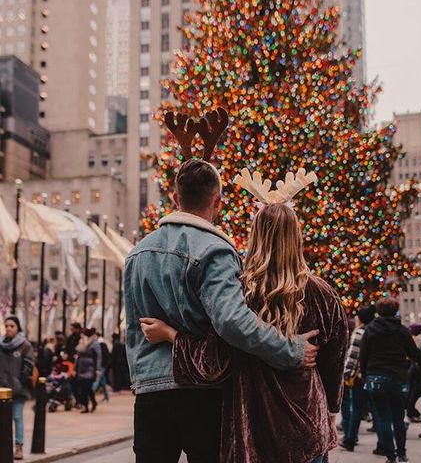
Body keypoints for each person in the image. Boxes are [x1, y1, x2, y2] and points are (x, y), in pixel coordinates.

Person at [125, 115, 320, 463]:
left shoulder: (137, 253)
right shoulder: (214, 250)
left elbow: (132, 331)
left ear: (174, 196)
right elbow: (232, 322)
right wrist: (289, 350)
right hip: (202, 393)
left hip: (150, 393)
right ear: (218, 200)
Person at [141, 202, 349, 463]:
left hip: (253, 429)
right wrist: (330, 413)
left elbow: (213, 361)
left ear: (256, 235)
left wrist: (171, 335)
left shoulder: (239, 293)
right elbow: (335, 361)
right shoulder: (322, 293)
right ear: (297, 236)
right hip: (308, 424)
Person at [359, 297, 421, 463]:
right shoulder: (402, 330)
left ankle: (390, 456)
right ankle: (402, 453)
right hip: (398, 378)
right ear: (395, 310)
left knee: (383, 418)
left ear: (378, 311)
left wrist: (364, 375)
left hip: (375, 378)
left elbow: (363, 355)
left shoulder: (370, 329)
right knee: (398, 418)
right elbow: (415, 354)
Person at [339, 305, 375, 452]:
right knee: (375, 410)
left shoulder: (359, 332)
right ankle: (383, 445)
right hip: (373, 374)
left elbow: (353, 356)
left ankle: (350, 438)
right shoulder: (374, 331)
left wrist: (345, 374)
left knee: (355, 408)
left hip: (359, 377)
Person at [0, 315, 34, 460]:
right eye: (6, 325)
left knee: (17, 416)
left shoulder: (25, 345)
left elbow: (29, 365)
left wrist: (20, 381)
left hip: (18, 389)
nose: (8, 328)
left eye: (12, 326)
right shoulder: (1, 345)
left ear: (17, 327)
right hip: (2, 388)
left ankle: (18, 446)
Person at [75, 327, 101, 413]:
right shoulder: (81, 343)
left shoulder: (94, 343)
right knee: (82, 388)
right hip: (81, 368)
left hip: (90, 368)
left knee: (87, 387)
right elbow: (78, 353)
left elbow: (98, 357)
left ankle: (92, 402)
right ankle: (86, 405)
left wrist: (97, 369)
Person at [92, 333, 110, 402]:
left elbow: (103, 356)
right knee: (103, 381)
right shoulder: (102, 343)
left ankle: (90, 394)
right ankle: (106, 397)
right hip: (102, 365)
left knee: (97, 380)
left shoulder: (101, 344)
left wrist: (100, 366)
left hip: (101, 365)